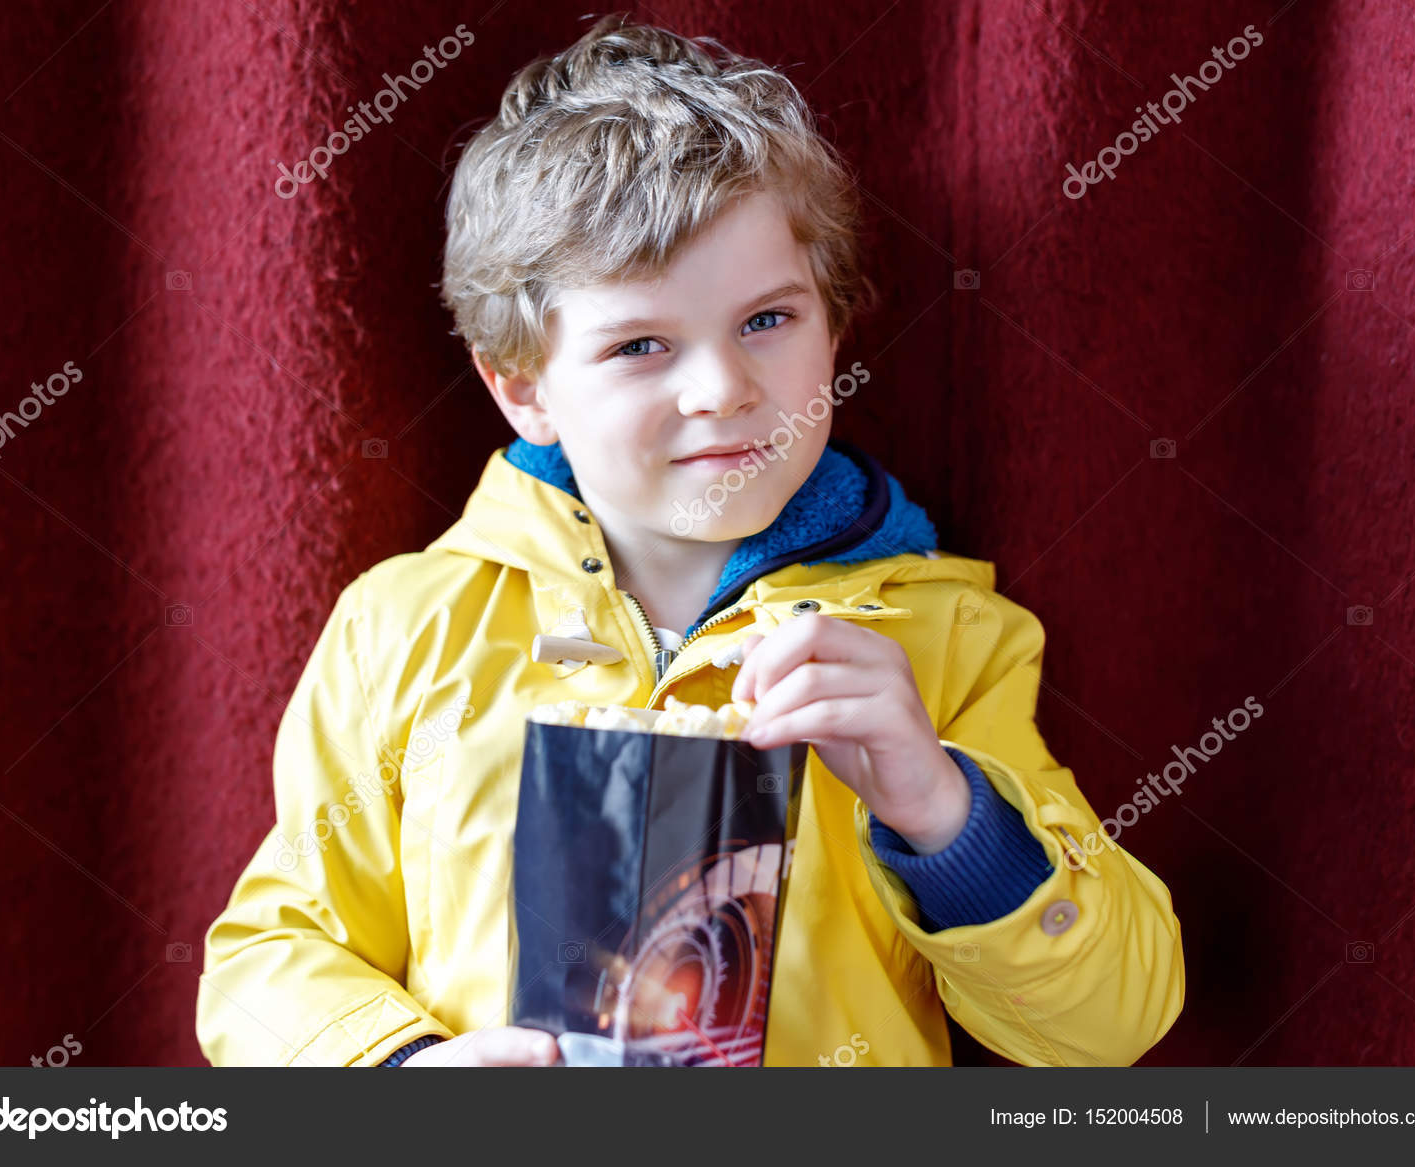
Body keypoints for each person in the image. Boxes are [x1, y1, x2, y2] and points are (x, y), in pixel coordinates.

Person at [196, 13, 1184, 1068]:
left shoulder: (948, 643)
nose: (720, 388)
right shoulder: (402, 629)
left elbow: (1111, 1027)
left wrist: (942, 810)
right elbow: (269, 957)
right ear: (524, 389)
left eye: (766, 321)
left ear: (834, 328)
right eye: (640, 344)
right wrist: (397, 1072)